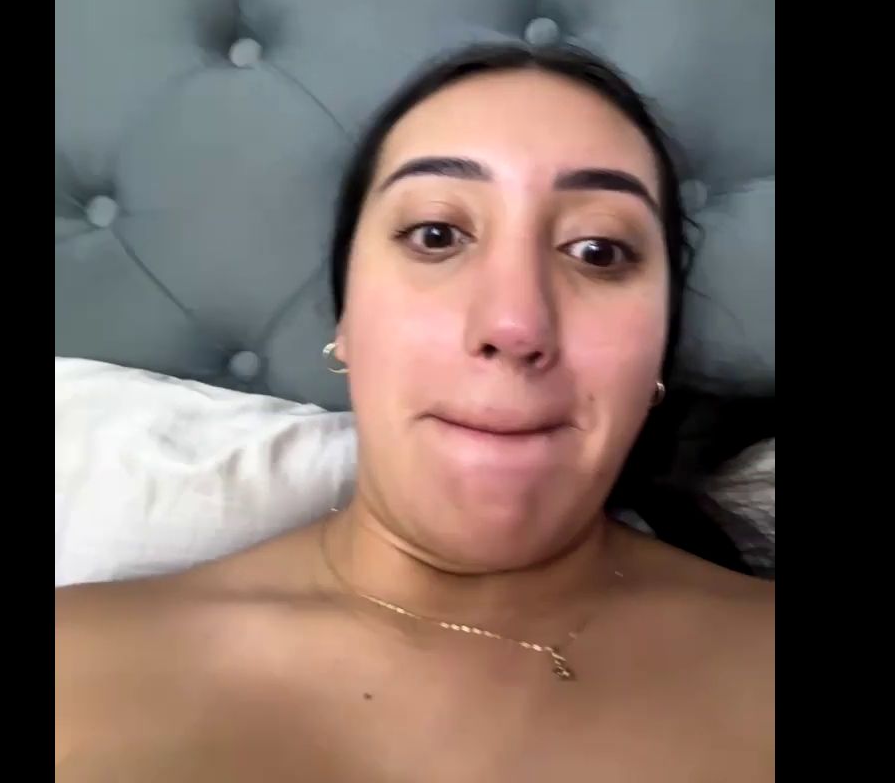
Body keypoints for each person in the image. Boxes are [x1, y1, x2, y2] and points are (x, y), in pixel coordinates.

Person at [55, 43, 775, 781]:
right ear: (347, 323)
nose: (515, 325)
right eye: (437, 235)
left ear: (659, 350)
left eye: (597, 250)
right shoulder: (77, 667)